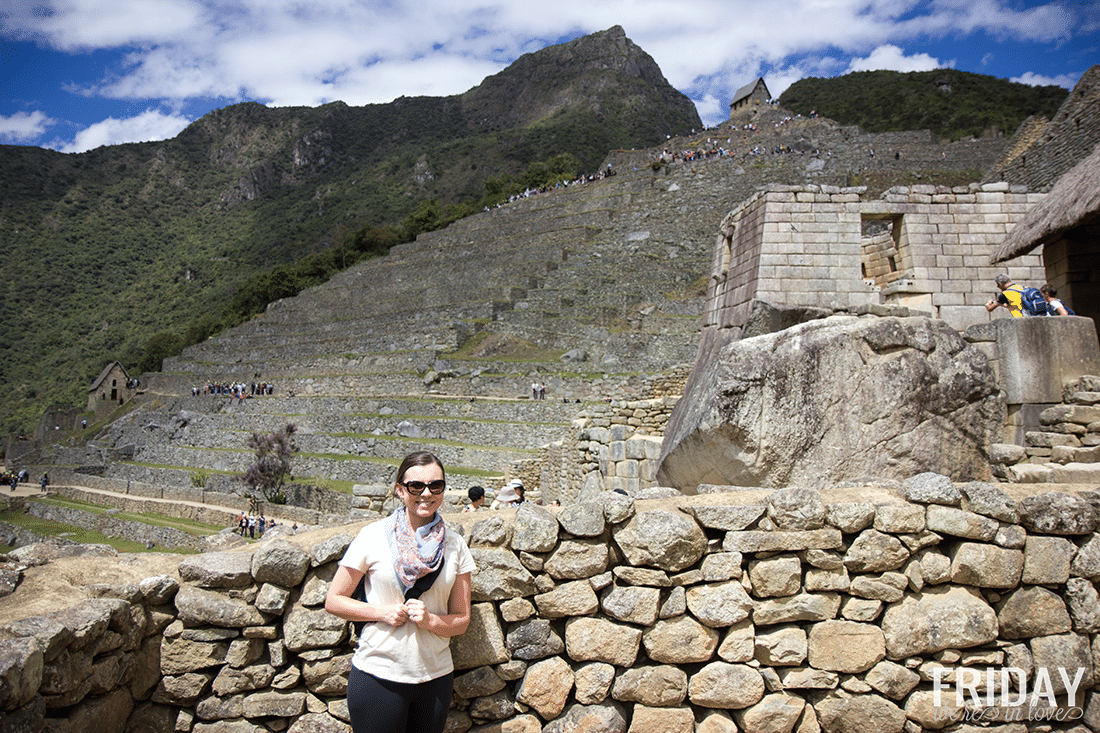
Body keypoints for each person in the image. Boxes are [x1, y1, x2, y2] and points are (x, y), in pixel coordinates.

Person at [325, 451, 474, 733]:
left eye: (435, 485)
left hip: (434, 677)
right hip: (378, 675)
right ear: (400, 490)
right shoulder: (372, 536)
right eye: (416, 486)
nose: (426, 493)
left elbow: (462, 620)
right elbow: (334, 600)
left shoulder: (455, 546)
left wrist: (431, 621)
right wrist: (381, 612)